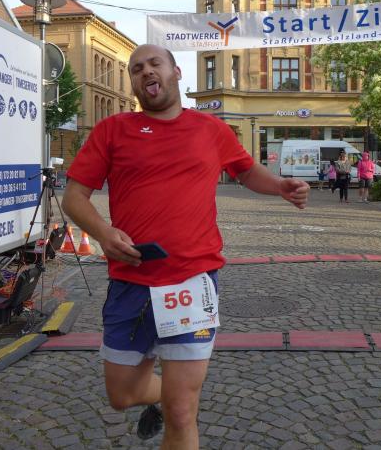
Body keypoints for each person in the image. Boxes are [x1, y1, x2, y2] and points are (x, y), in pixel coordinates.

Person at [61, 44, 309, 448]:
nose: (146, 71)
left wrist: (279, 185)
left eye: (154, 64)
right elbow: (74, 197)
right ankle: (168, 394)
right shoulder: (112, 130)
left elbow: (246, 172)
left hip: (191, 283)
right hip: (131, 282)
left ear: (176, 72)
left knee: (181, 413)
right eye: (136, 68)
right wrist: (104, 233)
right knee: (121, 395)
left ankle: (177, 400)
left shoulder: (210, 129)